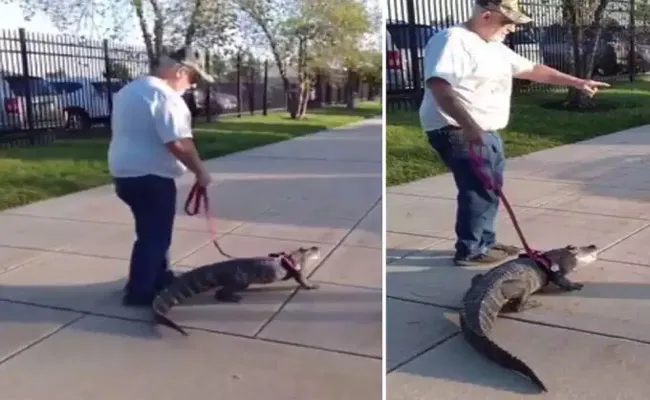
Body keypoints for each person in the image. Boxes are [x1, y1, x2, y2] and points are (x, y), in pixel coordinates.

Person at [420, 0, 609, 266]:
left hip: (484, 130)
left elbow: (534, 70)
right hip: (458, 130)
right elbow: (440, 87)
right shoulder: (453, 40)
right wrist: (470, 126)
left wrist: (578, 82)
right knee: (478, 189)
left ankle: (484, 242)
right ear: (486, 15)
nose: (512, 29)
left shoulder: (494, 47)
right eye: (507, 23)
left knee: (490, 188)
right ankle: (471, 250)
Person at [108, 47, 215, 306]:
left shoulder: (129, 91)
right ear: (179, 71)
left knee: (151, 231)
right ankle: (140, 292)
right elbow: (178, 142)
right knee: (155, 236)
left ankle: (159, 277)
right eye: (192, 78)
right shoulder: (165, 96)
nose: (191, 86)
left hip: (125, 175)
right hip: (151, 176)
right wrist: (200, 172)